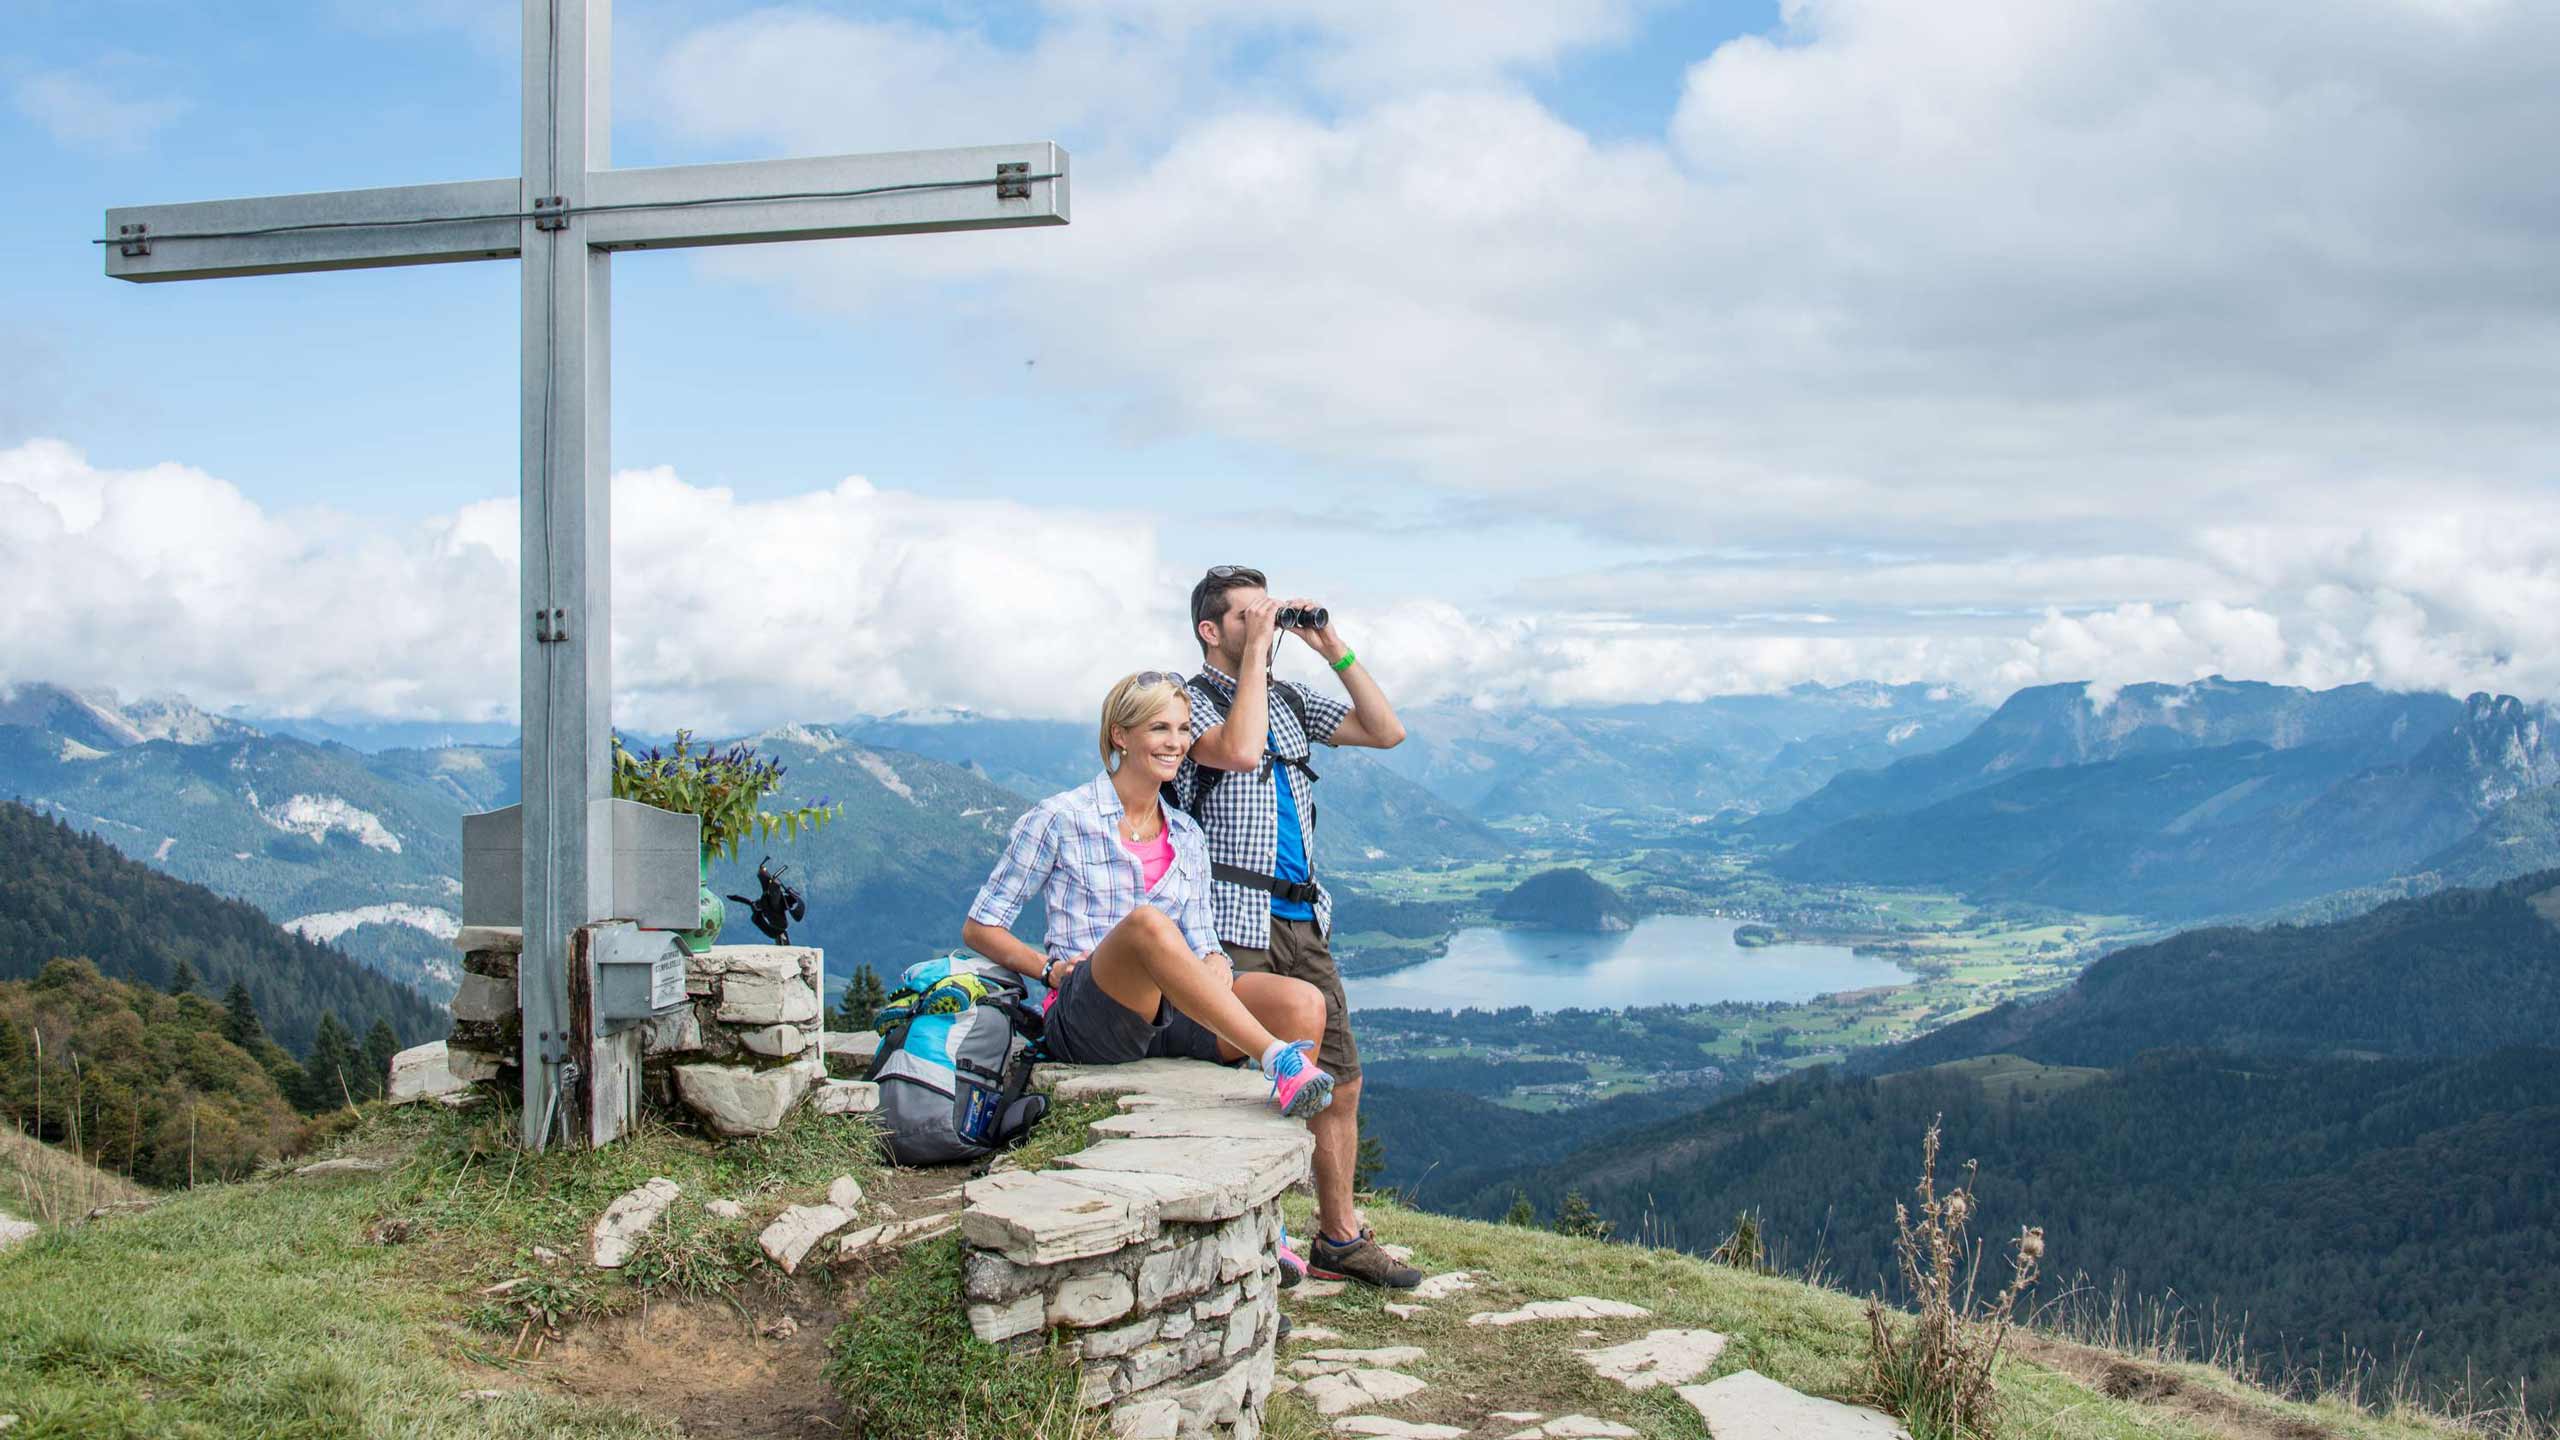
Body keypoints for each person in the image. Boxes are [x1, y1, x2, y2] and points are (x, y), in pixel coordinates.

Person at [1175, 565, 1419, 1288]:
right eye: (1250, 614)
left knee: (1338, 1081)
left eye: (1268, 610)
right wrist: (1255, 655)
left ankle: (1340, 1238)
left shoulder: (1286, 698)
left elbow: (1387, 730)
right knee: (1246, 1079)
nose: (1267, 623)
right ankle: (1260, 1235)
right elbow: (1241, 751)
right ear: (1210, 632)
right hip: (1229, 916)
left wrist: (1328, 643)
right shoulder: (1182, 703)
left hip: (1301, 915)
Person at [962, 670, 1337, 1119]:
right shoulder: (1061, 818)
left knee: (1302, 1001)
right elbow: (981, 925)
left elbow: (1203, 940)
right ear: (1120, 735)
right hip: (1090, 1014)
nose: (1176, 743)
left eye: (1183, 729)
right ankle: (1277, 1057)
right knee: (1147, 924)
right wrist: (1048, 970)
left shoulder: (1187, 833)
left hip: (1173, 1012)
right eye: (1160, 728)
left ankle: (1289, 1125)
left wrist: (1216, 961)